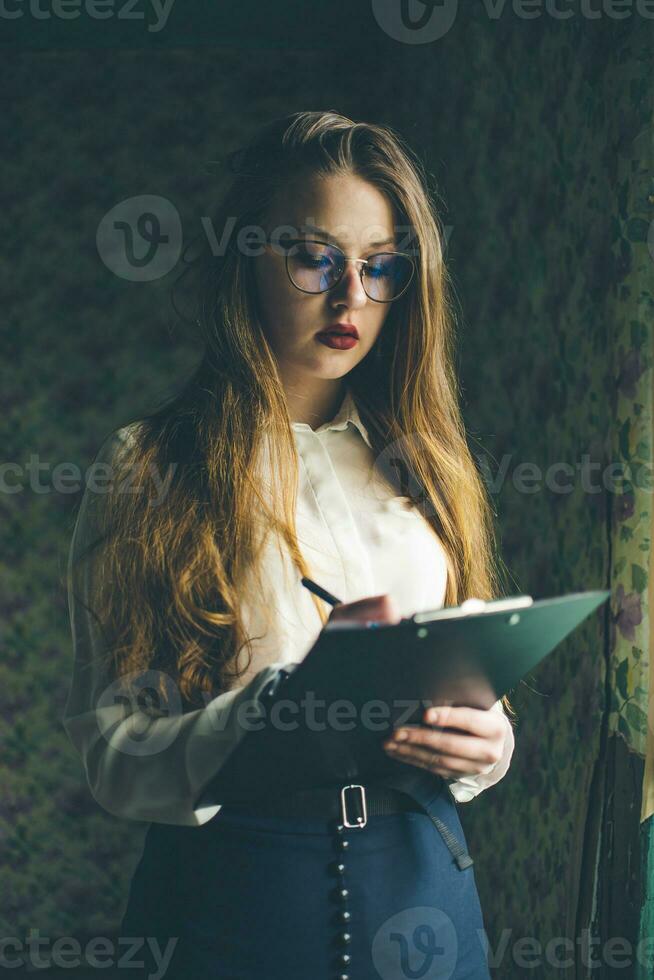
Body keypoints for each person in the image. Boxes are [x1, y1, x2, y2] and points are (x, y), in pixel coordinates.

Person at [63, 109, 517, 980]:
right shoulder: (150, 466)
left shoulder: (429, 465)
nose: (352, 298)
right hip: (236, 900)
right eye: (316, 258)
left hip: (429, 893)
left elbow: (467, 689)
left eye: (381, 268)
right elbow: (115, 754)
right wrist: (267, 718)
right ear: (247, 260)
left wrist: (489, 746)